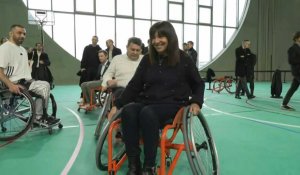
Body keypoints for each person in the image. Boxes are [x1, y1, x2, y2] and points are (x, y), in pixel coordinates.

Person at [108, 21, 205, 175]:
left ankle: (149, 166)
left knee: (147, 112)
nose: (156, 41)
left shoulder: (184, 59)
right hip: (149, 101)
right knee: (129, 111)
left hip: (173, 104)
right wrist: (117, 105)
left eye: (161, 37)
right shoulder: (147, 59)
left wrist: (196, 101)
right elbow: (134, 85)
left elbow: (198, 84)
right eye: (153, 37)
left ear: (170, 37)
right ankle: (134, 164)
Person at [0, 24, 60, 125]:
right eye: (19, 33)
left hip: (25, 81)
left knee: (43, 86)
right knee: (45, 86)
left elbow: (24, 72)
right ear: (11, 33)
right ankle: (39, 117)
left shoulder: (23, 50)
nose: (22, 36)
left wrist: (33, 81)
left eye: (24, 34)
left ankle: (38, 116)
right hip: (12, 83)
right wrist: (10, 85)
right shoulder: (4, 48)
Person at [78, 36, 102, 103]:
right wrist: (82, 67)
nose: (94, 40)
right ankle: (82, 97)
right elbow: (83, 57)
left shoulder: (99, 49)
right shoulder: (87, 48)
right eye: (93, 39)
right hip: (87, 69)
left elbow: (101, 60)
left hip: (96, 70)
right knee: (84, 83)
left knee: (93, 84)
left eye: (96, 40)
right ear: (91, 40)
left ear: (97, 40)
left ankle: (92, 99)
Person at [281, 31, 300, 110]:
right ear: (297, 38)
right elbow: (291, 60)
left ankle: (284, 104)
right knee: (293, 88)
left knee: (293, 88)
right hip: (297, 71)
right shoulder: (292, 48)